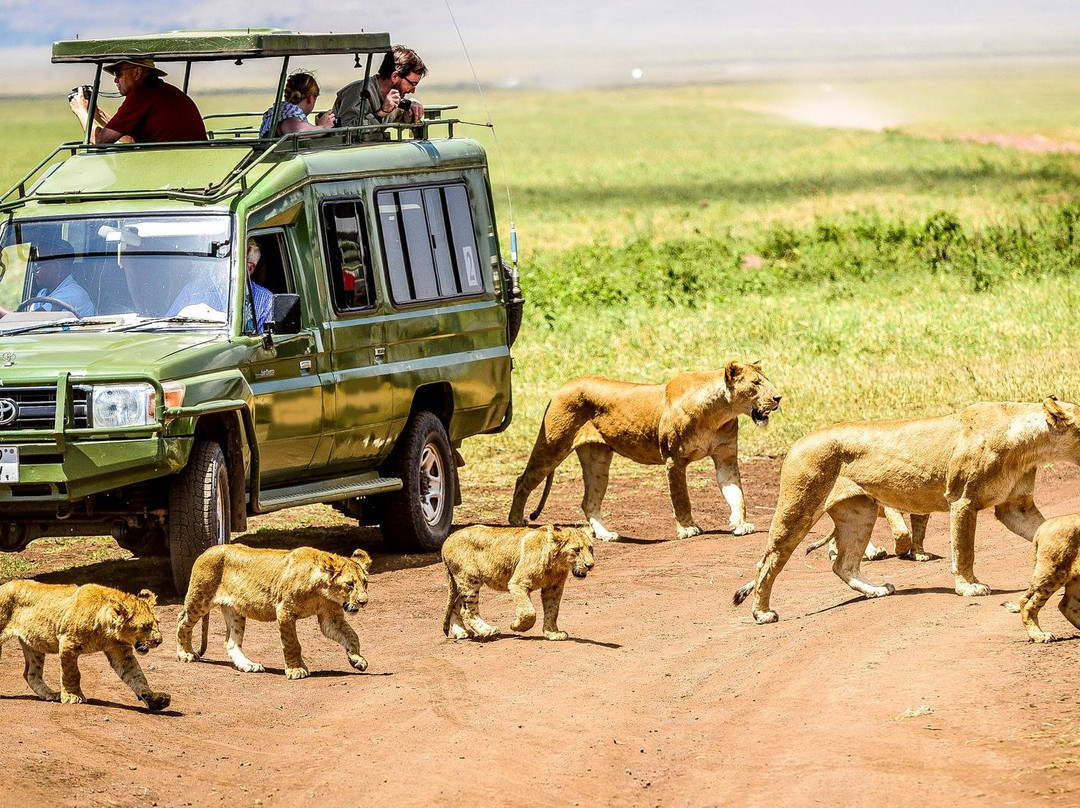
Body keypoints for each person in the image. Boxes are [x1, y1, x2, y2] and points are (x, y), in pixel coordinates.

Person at [68, 58, 207, 144]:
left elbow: (99, 140)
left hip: (175, 165)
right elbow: (128, 139)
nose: (116, 80)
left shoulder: (142, 93)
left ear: (137, 73)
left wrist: (80, 110)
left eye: (118, 74)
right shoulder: (159, 91)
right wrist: (96, 113)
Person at [331, 45, 427, 130]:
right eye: (412, 84)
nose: (412, 90)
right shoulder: (360, 92)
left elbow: (401, 120)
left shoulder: (391, 96)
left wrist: (412, 105)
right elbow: (344, 132)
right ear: (394, 76)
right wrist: (381, 113)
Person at [0, 237, 93, 317]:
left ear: (57, 266)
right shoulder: (43, 293)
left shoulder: (73, 293)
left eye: (39, 265)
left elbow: (27, 321)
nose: (33, 271)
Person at [259, 72, 335, 139]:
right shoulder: (292, 113)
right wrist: (323, 127)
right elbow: (297, 129)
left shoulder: (281, 110)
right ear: (311, 98)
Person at [244, 238, 274, 332]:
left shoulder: (266, 299)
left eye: (232, 262)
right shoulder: (202, 290)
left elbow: (262, 343)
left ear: (250, 268)